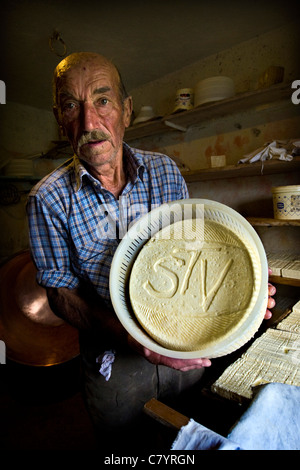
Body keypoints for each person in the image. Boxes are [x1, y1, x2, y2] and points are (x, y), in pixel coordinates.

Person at [26, 52, 275, 449]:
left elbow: (195, 251)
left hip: (185, 347)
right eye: (72, 105)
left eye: (103, 101)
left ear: (126, 111)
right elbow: (59, 292)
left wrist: (238, 287)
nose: (90, 123)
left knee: (191, 437)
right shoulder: (48, 200)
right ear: (60, 118)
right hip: (114, 365)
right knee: (128, 448)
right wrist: (130, 339)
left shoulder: (165, 171)